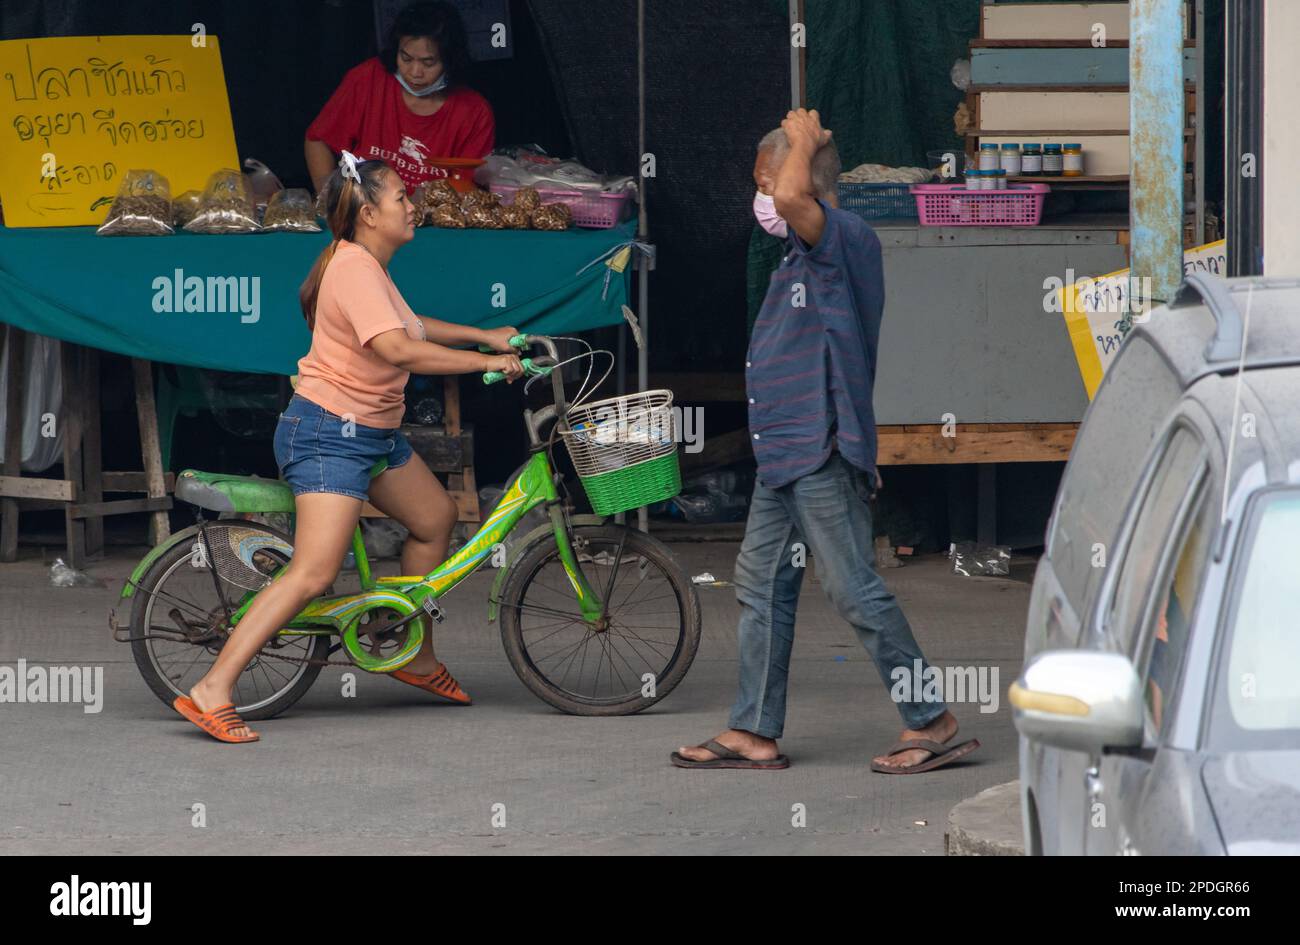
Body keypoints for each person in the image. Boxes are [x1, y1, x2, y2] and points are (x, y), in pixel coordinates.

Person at [173, 152, 524, 743]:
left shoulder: (364, 263)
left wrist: (483, 334)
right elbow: (400, 352)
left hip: (370, 435)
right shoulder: (354, 268)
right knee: (312, 572)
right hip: (330, 434)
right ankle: (212, 688)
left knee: (435, 518)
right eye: (401, 200)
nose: (413, 207)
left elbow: (411, 326)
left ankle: (413, 654)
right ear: (367, 214)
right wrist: (487, 362)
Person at [672, 109, 980, 773]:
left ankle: (931, 717)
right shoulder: (797, 254)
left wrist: (806, 138)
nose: (762, 193)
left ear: (803, 181)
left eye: (768, 177)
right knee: (761, 585)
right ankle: (754, 729)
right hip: (784, 452)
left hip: (821, 447)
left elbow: (789, 196)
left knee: (853, 588)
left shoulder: (845, 239)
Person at [304, 1, 494, 195]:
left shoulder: (474, 112)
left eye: (428, 63)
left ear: (450, 60)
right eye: (406, 58)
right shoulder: (368, 78)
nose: (415, 72)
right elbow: (318, 140)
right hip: (363, 213)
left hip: (432, 221)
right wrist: (328, 198)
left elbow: (468, 188)